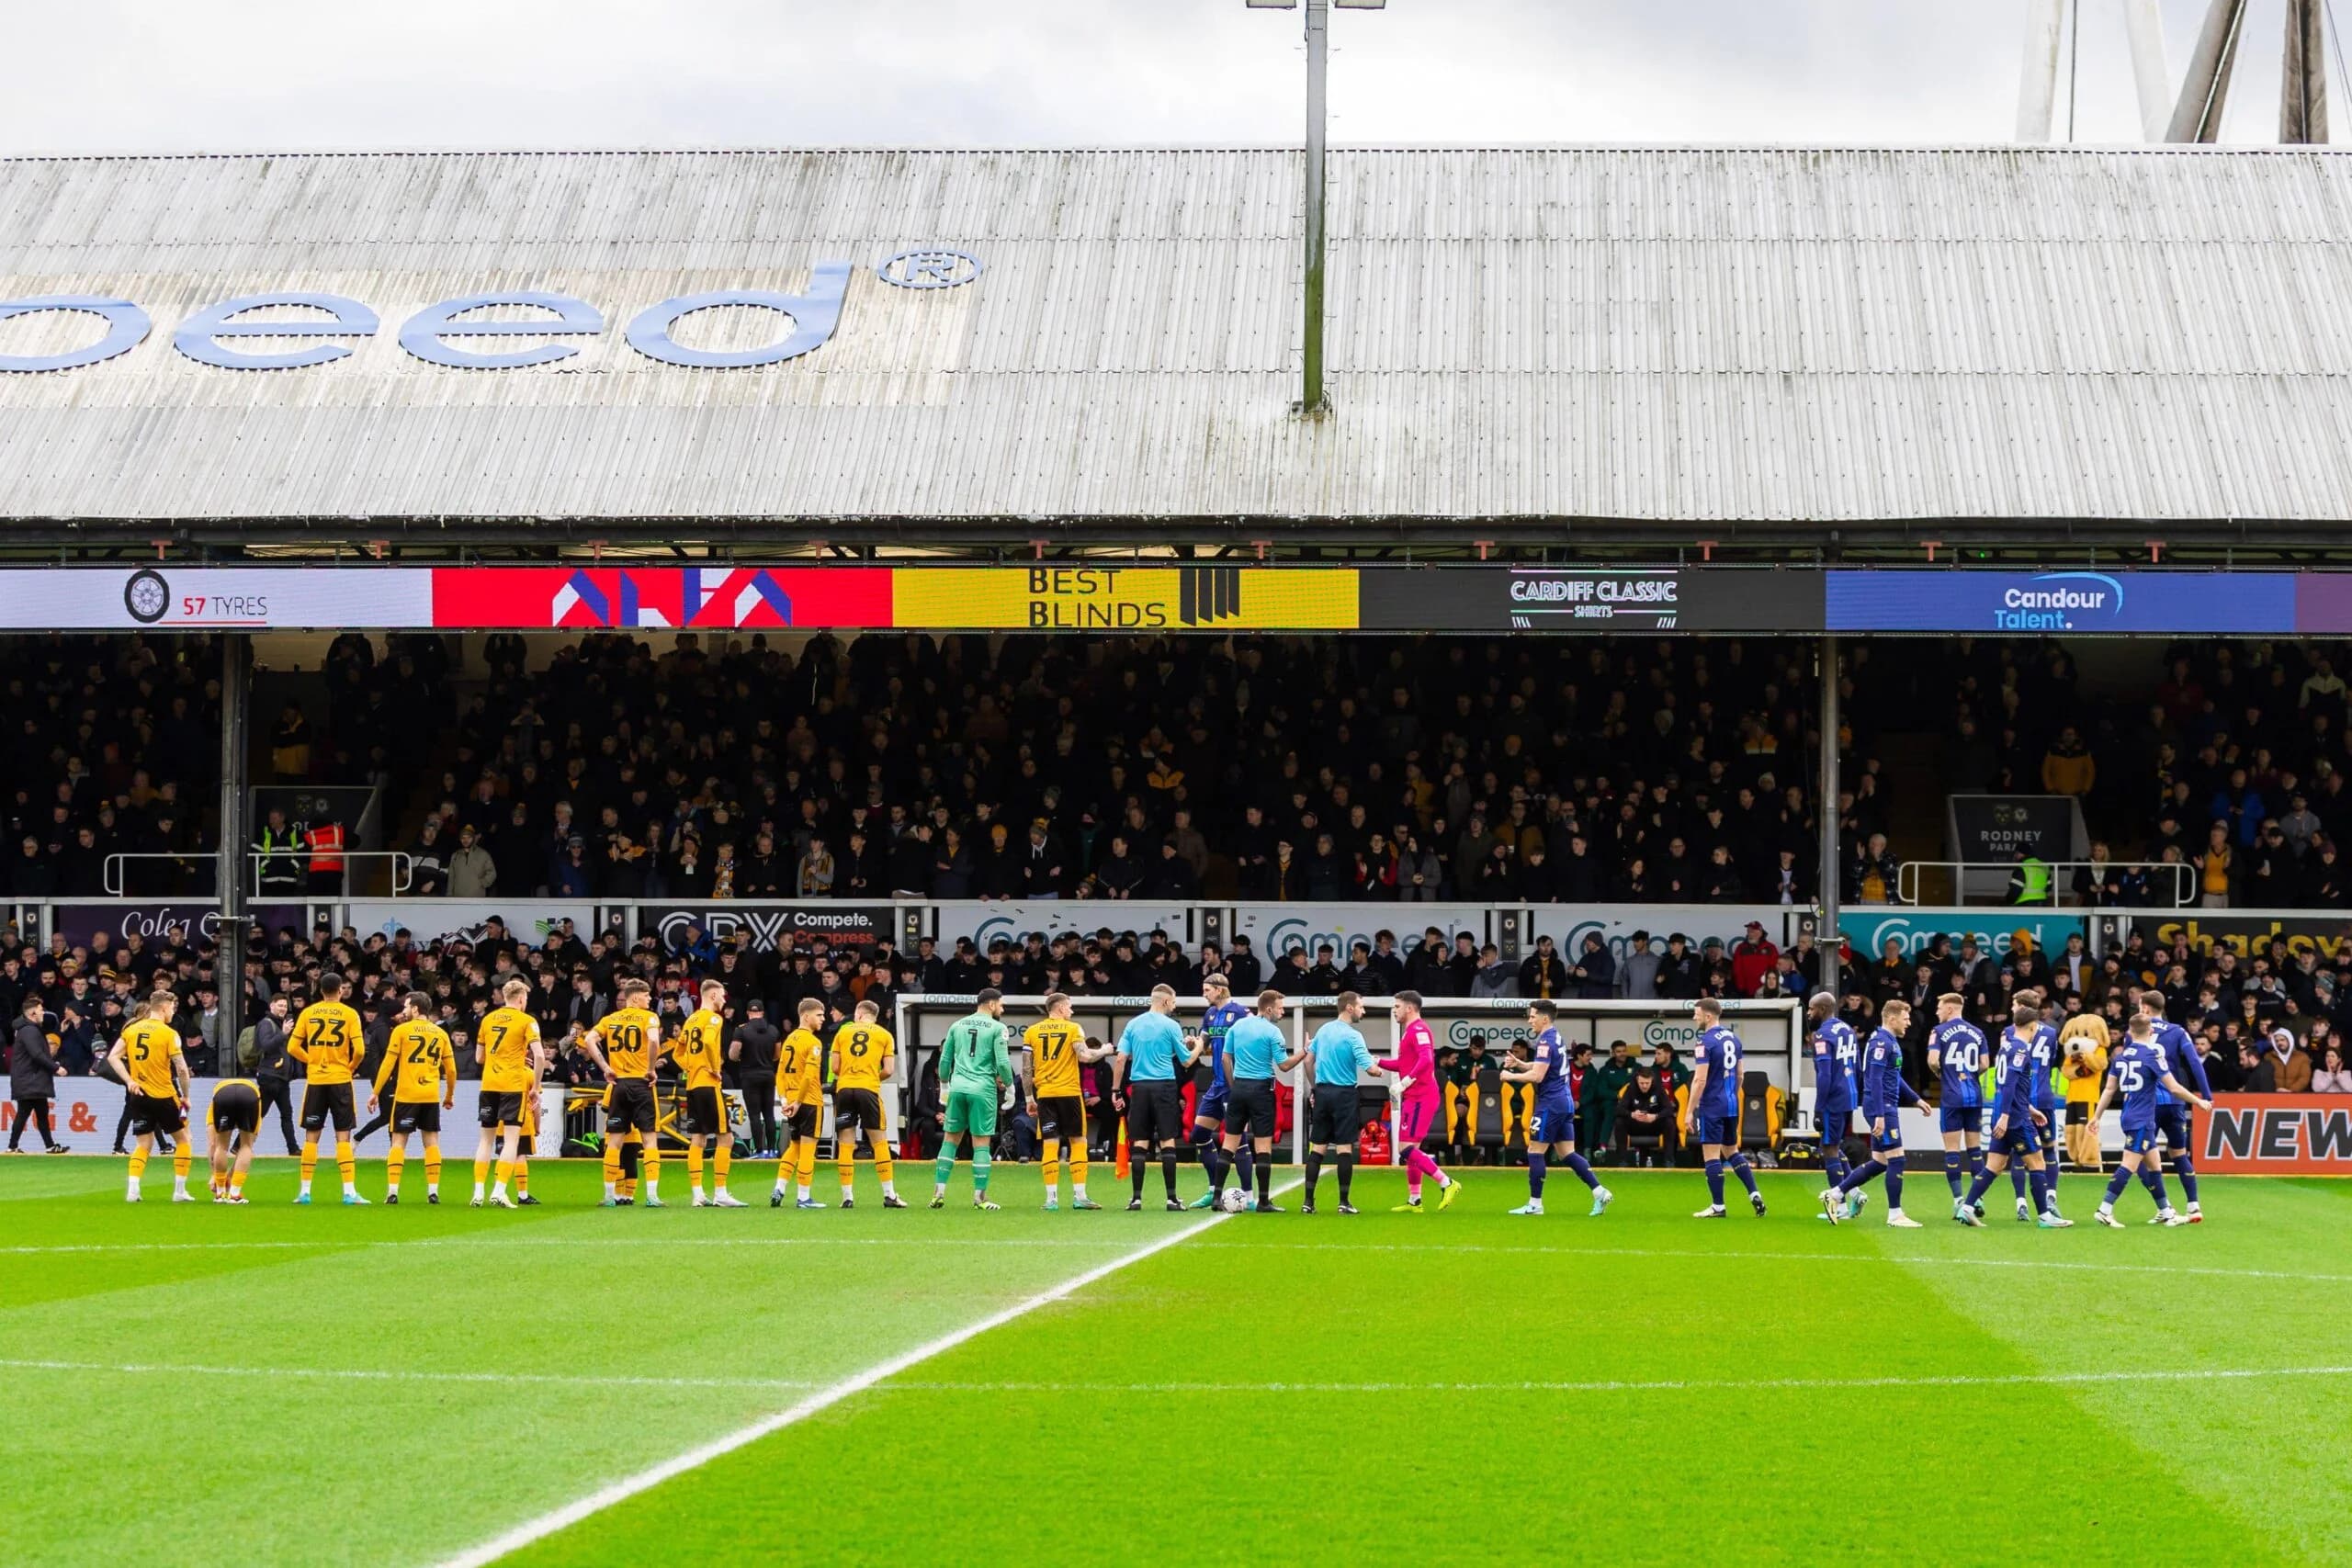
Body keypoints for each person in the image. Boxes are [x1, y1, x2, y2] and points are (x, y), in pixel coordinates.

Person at [2090, 1013, 2214, 1228]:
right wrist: (2199, 1102)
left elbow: (2109, 1089)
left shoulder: (2120, 1057)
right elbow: (2174, 1087)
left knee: (2155, 1164)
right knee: (2128, 1165)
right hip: (2142, 1118)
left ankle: (2166, 1212)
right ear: (2151, 1032)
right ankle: (2105, 1209)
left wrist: (2097, 1116)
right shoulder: (2152, 1055)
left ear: (2129, 1032)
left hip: (2129, 1115)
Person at [1953, 1008, 2069, 1229]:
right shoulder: (2020, 1050)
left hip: (2008, 1113)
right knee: (2038, 1163)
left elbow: (2009, 1086)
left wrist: (2030, 1107)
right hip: (2015, 1119)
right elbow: (2010, 1085)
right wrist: (2009, 1115)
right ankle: (2046, 1217)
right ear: (2033, 1026)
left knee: (1994, 1166)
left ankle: (1967, 1208)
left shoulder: (2005, 1047)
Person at [1821, 998, 1928, 1227]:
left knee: (1880, 1162)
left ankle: (1836, 1194)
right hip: (1882, 1108)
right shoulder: (1882, 1042)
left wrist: (1916, 1099)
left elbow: (1893, 1076)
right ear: (1892, 1018)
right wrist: (1880, 1114)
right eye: (1905, 1018)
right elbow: (1876, 1079)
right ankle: (1895, 1214)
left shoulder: (1888, 1040)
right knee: (1897, 1159)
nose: (1908, 1023)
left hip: (1883, 1106)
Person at [1498, 998, 1610, 1217]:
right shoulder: (1554, 1036)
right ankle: (1600, 1191)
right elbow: (1545, 1066)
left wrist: (1510, 1075)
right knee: (1567, 1153)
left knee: (1535, 1151)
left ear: (1544, 1018)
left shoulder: (1544, 1041)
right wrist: (1521, 1064)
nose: (1530, 1020)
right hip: (1564, 1102)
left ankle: (1535, 1204)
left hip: (1551, 1104)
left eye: (1532, 1016)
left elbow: (1538, 1075)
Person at [1113, 984, 1204, 1212]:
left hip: (1140, 1088)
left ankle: (1136, 1199)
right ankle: (1172, 1199)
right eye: (1173, 1003)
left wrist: (1116, 1090)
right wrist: (1199, 1046)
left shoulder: (1133, 1024)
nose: (1174, 1007)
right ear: (1165, 1002)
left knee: (1140, 1142)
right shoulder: (1171, 1025)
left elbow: (1121, 1059)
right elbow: (1186, 1061)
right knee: (1167, 1141)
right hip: (1164, 1087)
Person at [1217, 989, 1306, 1213]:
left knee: (1229, 1143)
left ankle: (1217, 1197)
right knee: (1263, 1146)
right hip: (1262, 1090)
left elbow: (1225, 1058)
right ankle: (1264, 1201)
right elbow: (1284, 1065)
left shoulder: (1236, 1027)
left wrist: (1233, 1085)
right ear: (1268, 1009)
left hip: (1238, 1088)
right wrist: (1305, 1051)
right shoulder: (1273, 1032)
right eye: (1280, 1008)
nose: (1282, 1012)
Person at [1022, 992, 1110, 1212]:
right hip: (1069, 1093)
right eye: (1069, 1007)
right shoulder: (1073, 1029)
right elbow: (1085, 1057)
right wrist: (1104, 1051)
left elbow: (1025, 1069)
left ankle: (1051, 1199)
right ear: (1060, 1008)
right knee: (1078, 1141)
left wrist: (1029, 1098)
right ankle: (1079, 1196)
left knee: (1050, 1144)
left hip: (1045, 1094)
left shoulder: (1032, 1031)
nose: (1071, 1011)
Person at [582, 978, 664, 1208]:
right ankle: (652, 1196)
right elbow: (654, 1041)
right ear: (636, 997)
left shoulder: (611, 1019)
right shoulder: (649, 1017)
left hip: (619, 1085)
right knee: (649, 1141)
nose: (650, 999)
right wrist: (650, 1069)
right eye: (647, 995)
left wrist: (606, 1067)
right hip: (641, 1084)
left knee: (614, 1143)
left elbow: (588, 1039)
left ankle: (609, 1196)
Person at [288, 974, 368, 1205]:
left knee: (311, 1138)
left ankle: (304, 1192)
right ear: (340, 991)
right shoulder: (350, 1014)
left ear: (320, 991)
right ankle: (349, 1192)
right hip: (340, 1080)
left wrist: (311, 1060)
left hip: (316, 1081)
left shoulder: (309, 1013)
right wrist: (349, 1068)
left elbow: (293, 1046)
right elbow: (360, 1051)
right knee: (343, 1136)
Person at [932, 988, 1014, 1210]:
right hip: (982, 1090)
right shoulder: (998, 1028)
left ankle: (938, 1194)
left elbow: (944, 1060)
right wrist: (1010, 1087)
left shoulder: (957, 1025)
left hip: (957, 1089)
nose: (1003, 1009)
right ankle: (980, 1198)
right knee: (981, 1143)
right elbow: (1004, 1064)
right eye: (1001, 1004)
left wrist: (944, 1085)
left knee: (950, 1140)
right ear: (991, 1005)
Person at [1377, 990, 1459, 1213]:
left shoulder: (1419, 1029)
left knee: (1405, 1149)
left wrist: (1404, 1083)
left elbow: (1426, 1060)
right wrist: (1379, 1062)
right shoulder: (1410, 1031)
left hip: (1421, 1097)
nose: (1394, 1010)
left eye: (1397, 1006)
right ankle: (1415, 1200)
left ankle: (1447, 1183)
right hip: (1414, 1097)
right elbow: (1404, 1063)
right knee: (1412, 1149)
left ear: (1409, 1008)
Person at [1684, 998, 1765, 1218]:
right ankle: (1754, 1193)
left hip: (1712, 1106)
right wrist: (1730, 1093)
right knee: (1732, 1151)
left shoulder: (1705, 1043)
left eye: (1697, 1014)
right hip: (1731, 1104)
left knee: (1711, 1156)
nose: (1694, 1017)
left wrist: (1689, 1111)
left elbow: (1699, 1080)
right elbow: (1740, 1075)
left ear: (1708, 1016)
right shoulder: (1734, 1039)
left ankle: (1718, 1206)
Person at [371, 991, 455, 1205]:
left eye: (406, 1007)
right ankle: (433, 1192)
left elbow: (388, 1064)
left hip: (406, 1095)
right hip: (429, 1095)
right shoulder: (440, 1033)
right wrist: (449, 1096)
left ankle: (392, 1192)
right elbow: (451, 1070)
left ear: (416, 1008)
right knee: (432, 1143)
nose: (404, 1011)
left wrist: (375, 1092)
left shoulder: (401, 1030)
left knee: (399, 1142)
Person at [108, 994, 191, 1203]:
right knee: (184, 1139)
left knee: (143, 1144)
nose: (173, 1012)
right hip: (164, 1095)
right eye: (172, 1007)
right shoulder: (169, 1033)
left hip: (139, 1095)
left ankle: (133, 1190)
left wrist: (129, 1081)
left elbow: (112, 1057)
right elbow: (181, 1068)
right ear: (163, 1008)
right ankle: (179, 1191)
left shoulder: (131, 1029)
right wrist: (186, 1096)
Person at [1301, 992, 1376, 1215]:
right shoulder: (1354, 1036)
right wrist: (1380, 1069)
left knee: (1318, 1148)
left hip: (1323, 1093)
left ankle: (1308, 1202)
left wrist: (1315, 1088)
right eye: (1361, 1006)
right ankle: (1344, 1202)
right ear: (1350, 1008)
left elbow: (1307, 1061)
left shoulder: (1323, 1030)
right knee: (1344, 1148)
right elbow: (1370, 1068)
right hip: (1344, 1095)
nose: (1364, 1011)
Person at [2142, 990, 2212, 1224]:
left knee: (2138, 1157)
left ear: (2146, 1009)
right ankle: (2194, 1205)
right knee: (2179, 1154)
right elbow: (2194, 1062)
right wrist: (2206, 1095)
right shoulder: (2178, 1031)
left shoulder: (2137, 1030)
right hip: (2175, 1101)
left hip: (2148, 1103)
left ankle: (2165, 1207)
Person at [673, 979, 745, 1208]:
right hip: (708, 1084)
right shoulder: (714, 1018)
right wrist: (714, 1068)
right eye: (722, 995)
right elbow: (708, 1043)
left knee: (697, 1138)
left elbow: (677, 1052)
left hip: (693, 1084)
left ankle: (697, 1194)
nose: (724, 1000)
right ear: (713, 995)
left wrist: (691, 1066)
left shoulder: (691, 1019)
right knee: (726, 1137)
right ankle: (721, 1193)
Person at [474, 978, 545, 1210]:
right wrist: (535, 1086)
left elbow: (479, 1058)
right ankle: (499, 1191)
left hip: (489, 1084)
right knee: (511, 1140)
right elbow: (540, 1056)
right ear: (521, 999)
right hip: (512, 1085)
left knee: (485, 1140)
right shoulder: (527, 1021)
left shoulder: (487, 1019)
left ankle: (477, 1193)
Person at [829, 999, 904, 1208]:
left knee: (846, 1141)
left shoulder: (843, 1033)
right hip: (868, 1089)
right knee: (879, 1141)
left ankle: (847, 1197)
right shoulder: (884, 1035)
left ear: (860, 1015)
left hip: (844, 1089)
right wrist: (870, 1077)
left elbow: (835, 1067)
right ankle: (889, 1195)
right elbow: (888, 1070)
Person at [1183, 976, 1249, 1209]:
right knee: (1199, 1135)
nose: (1205, 994)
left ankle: (1249, 1197)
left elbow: (1252, 1035)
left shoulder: (1240, 1012)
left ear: (1220, 989)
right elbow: (1204, 1041)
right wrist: (1193, 1045)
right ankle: (1213, 1190)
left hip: (1234, 1084)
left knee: (1237, 1140)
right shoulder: (1210, 1014)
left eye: (1207, 990)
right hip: (1216, 1084)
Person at [769, 998, 831, 1209]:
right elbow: (809, 1076)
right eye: (819, 1015)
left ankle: (779, 1187)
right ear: (806, 1016)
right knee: (807, 1149)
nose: (823, 1019)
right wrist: (799, 1101)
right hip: (809, 1101)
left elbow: (780, 1073)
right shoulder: (813, 1042)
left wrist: (785, 1099)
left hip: (792, 1100)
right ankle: (803, 1197)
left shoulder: (790, 1039)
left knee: (793, 1146)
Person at [1926, 992, 1986, 1204]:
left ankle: (1959, 1199)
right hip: (1974, 1096)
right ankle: (1977, 1200)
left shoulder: (1938, 1031)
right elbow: (1986, 1063)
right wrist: (1969, 1075)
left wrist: (1944, 1074)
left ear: (1950, 1009)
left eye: (1939, 1007)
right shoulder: (1978, 1032)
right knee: (1975, 1149)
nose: (1937, 1011)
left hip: (1952, 1096)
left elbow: (1933, 1061)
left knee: (1952, 1149)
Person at [1806, 992, 1858, 1198]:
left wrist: (1818, 1108)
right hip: (1849, 1094)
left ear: (1823, 1009)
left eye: (1812, 1009)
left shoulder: (1822, 1035)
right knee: (1833, 1144)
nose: (1809, 1013)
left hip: (1833, 1098)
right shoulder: (1847, 1030)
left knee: (1829, 1149)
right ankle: (1854, 1193)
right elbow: (1857, 1066)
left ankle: (1839, 1203)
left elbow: (1825, 1075)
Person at [7, 996, 63, 1152]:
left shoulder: (29, 1029)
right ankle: (12, 1146)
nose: (43, 1013)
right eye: (40, 1011)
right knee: (24, 1113)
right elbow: (37, 1054)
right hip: (29, 1079)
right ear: (32, 1014)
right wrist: (56, 1068)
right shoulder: (29, 1031)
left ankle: (50, 1146)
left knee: (41, 1113)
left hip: (32, 1079)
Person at [2059, 1012, 2110, 1170]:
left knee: (2086, 1128)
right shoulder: (2070, 1056)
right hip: (2072, 1097)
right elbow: (2066, 1070)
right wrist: (2079, 1070)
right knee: (2071, 1129)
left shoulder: (2099, 1050)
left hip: (2088, 1096)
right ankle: (2076, 1159)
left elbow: (2099, 1064)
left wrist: (2085, 1057)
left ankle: (2090, 1160)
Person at [730, 998, 780, 1159]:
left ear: (748, 1013)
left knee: (754, 1115)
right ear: (763, 1013)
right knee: (769, 1114)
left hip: (749, 1075)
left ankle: (759, 1151)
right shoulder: (773, 1030)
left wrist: (741, 1058)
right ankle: (772, 1149)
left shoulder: (741, 1030)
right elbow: (777, 1055)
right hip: (768, 1074)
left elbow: (733, 1053)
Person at [252, 994, 299, 1155]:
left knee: (286, 1113)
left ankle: (293, 1148)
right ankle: (239, 1145)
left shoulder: (279, 1024)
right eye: (280, 1005)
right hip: (269, 1076)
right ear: (271, 1006)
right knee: (260, 1113)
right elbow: (266, 1046)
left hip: (281, 1078)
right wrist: (283, 1033)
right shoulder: (266, 1024)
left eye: (285, 1006)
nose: (283, 1009)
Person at [205, 1076, 262, 1202]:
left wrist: (215, 1175)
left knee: (221, 1146)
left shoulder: (213, 1104)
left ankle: (220, 1194)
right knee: (246, 1145)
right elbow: (249, 1145)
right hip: (250, 1094)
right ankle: (234, 1194)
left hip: (223, 1094)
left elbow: (212, 1144)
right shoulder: (256, 1100)